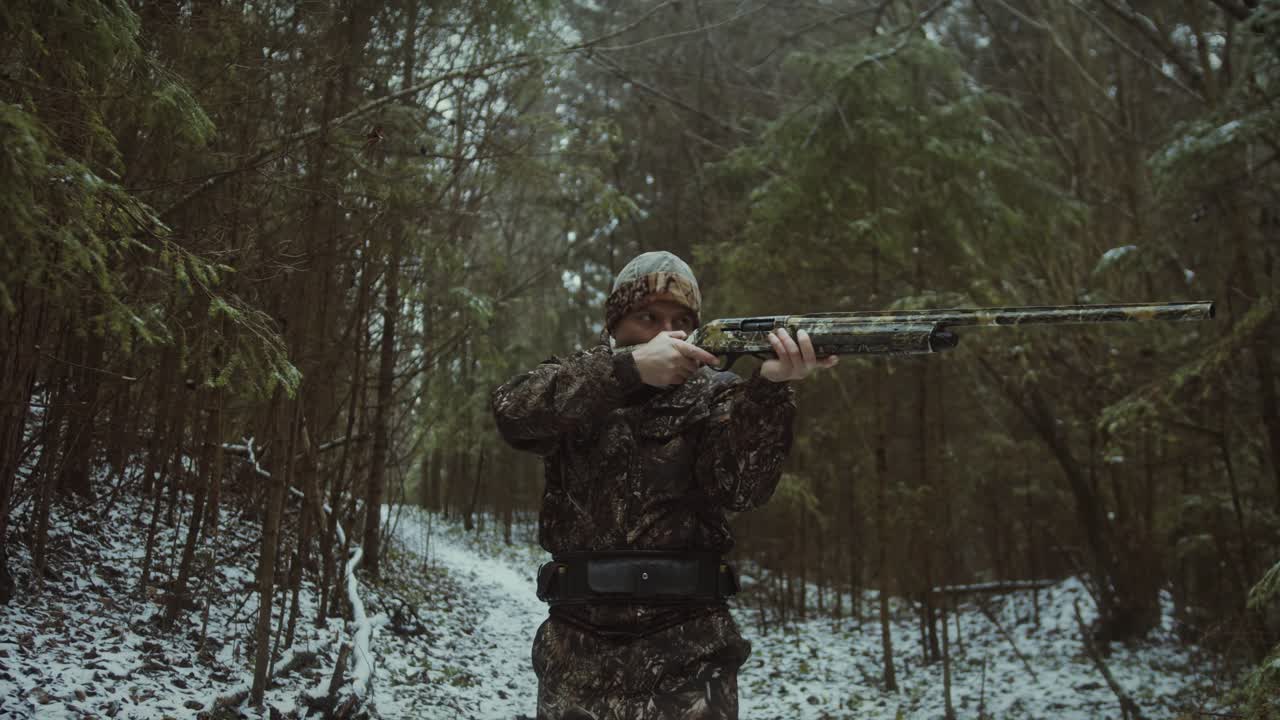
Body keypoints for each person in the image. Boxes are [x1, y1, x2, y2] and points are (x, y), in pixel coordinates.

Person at [490, 251, 836, 719]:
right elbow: (513, 414)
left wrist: (771, 389)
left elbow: (743, 490)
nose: (665, 331)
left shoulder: (717, 391)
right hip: (578, 647)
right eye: (646, 316)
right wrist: (629, 372)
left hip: (691, 650)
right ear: (615, 323)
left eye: (680, 320)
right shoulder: (581, 380)